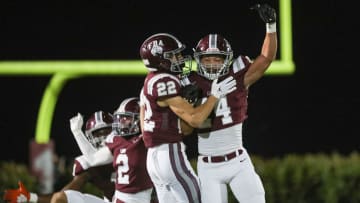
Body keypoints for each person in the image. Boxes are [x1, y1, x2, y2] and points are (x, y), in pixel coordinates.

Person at [180, 3, 278, 203]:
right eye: (208, 59)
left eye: (218, 59)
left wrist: (271, 27)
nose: (213, 64)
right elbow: (185, 130)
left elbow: (266, 58)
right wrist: (187, 103)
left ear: (228, 59)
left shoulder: (238, 75)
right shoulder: (191, 83)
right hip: (208, 166)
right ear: (199, 60)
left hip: (237, 160)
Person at [139, 33, 237, 203]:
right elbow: (196, 120)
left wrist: (187, 103)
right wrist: (215, 96)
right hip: (169, 155)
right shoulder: (165, 81)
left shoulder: (150, 80)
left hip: (152, 158)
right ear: (160, 58)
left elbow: (183, 128)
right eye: (174, 55)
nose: (179, 59)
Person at [3, 111, 115, 203]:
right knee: (60, 198)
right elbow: (63, 195)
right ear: (89, 138)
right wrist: (30, 197)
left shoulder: (127, 151)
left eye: (107, 133)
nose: (103, 139)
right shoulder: (88, 163)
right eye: (98, 135)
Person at [70, 97, 154, 203]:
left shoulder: (146, 139)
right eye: (121, 118)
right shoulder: (119, 140)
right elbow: (92, 159)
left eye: (126, 118)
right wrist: (77, 132)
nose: (122, 123)